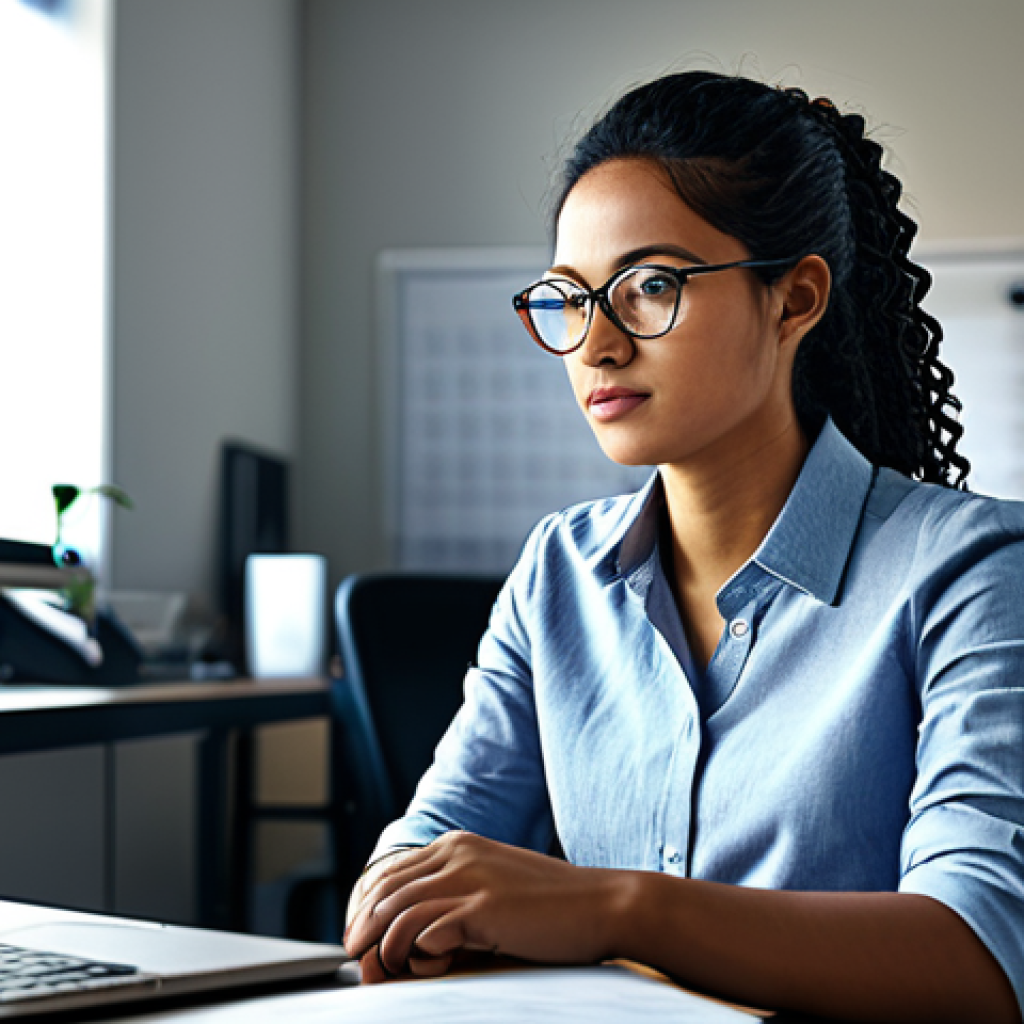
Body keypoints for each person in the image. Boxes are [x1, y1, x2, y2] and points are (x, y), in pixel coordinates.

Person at [344, 71, 1024, 1022]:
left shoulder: (971, 570)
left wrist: (617, 910)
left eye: (651, 287)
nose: (597, 345)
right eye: (570, 299)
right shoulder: (558, 574)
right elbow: (414, 876)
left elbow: (978, 961)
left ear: (794, 300)